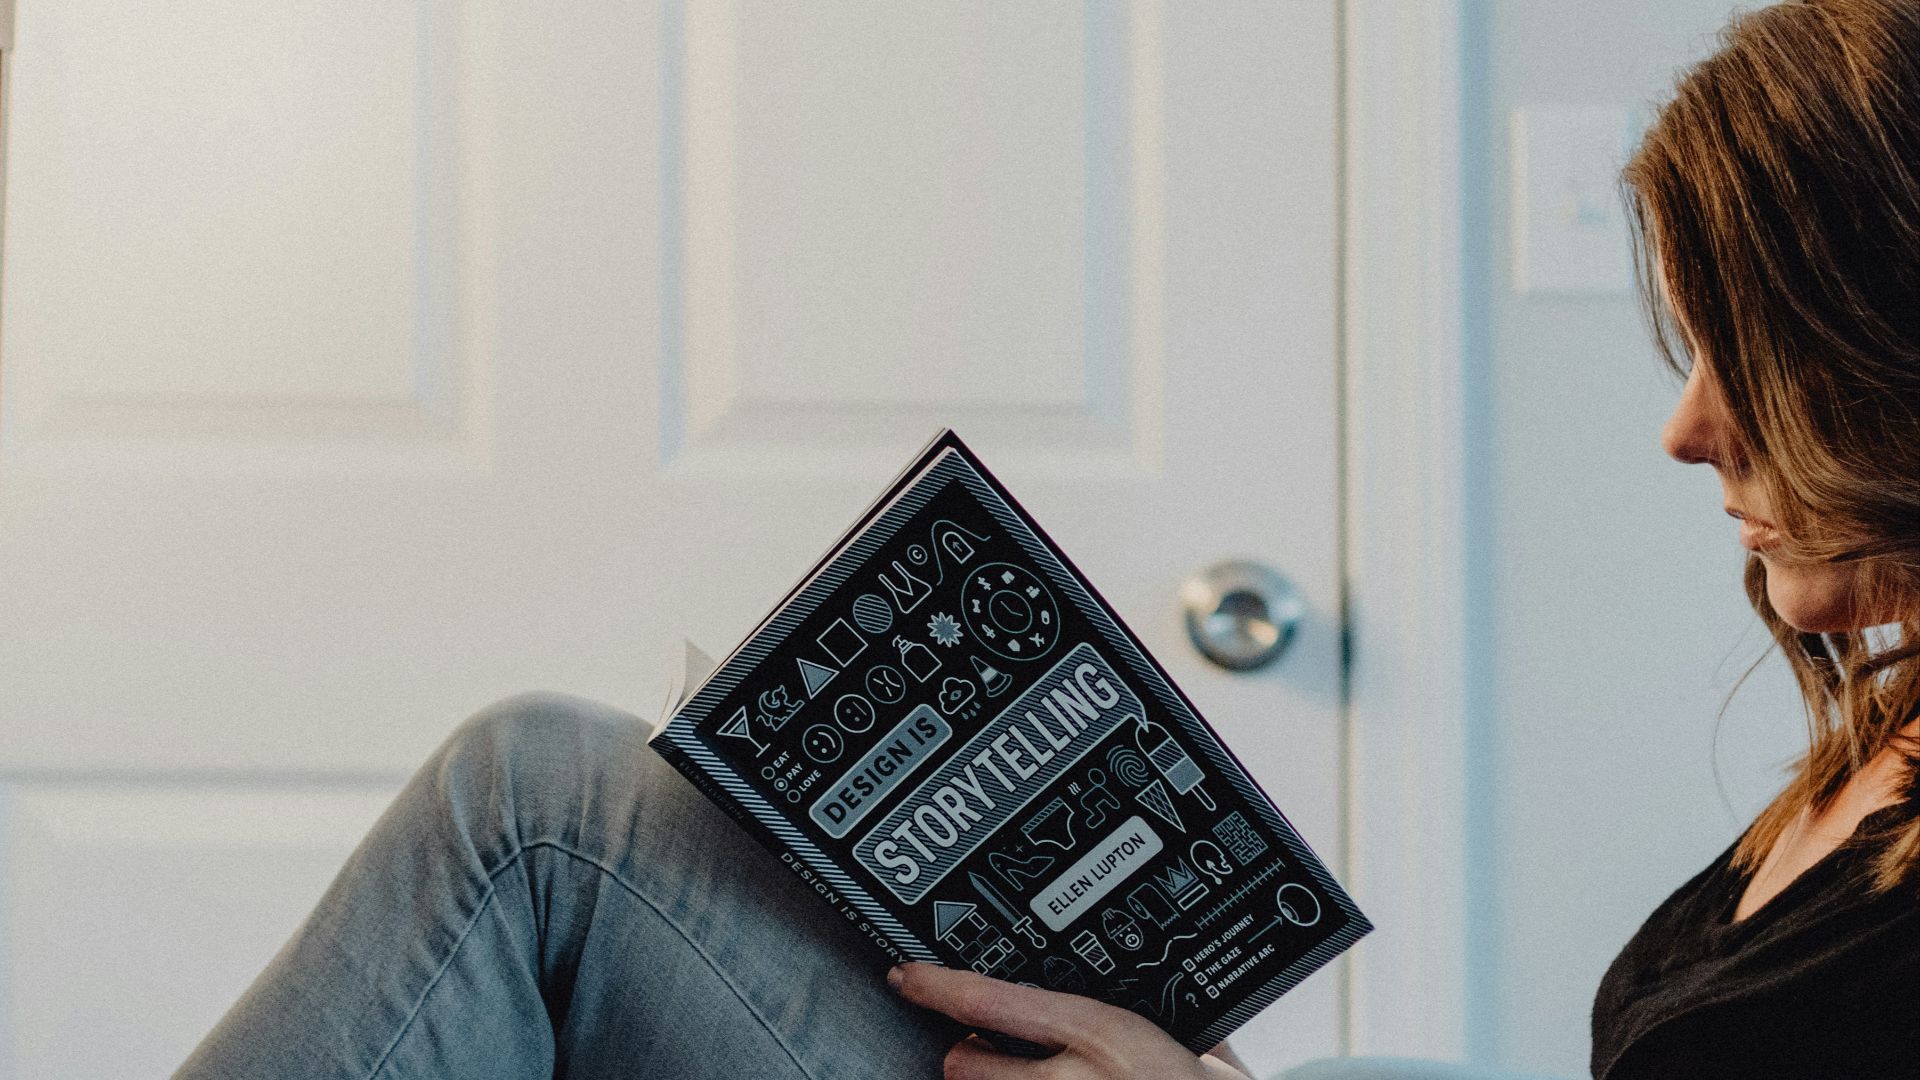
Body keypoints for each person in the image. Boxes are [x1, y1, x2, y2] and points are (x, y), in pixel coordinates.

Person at [174, 1, 1919, 1077]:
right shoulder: (1877, 753)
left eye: (1753, 359)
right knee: (548, 795)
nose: (1685, 425)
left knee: (536, 820)